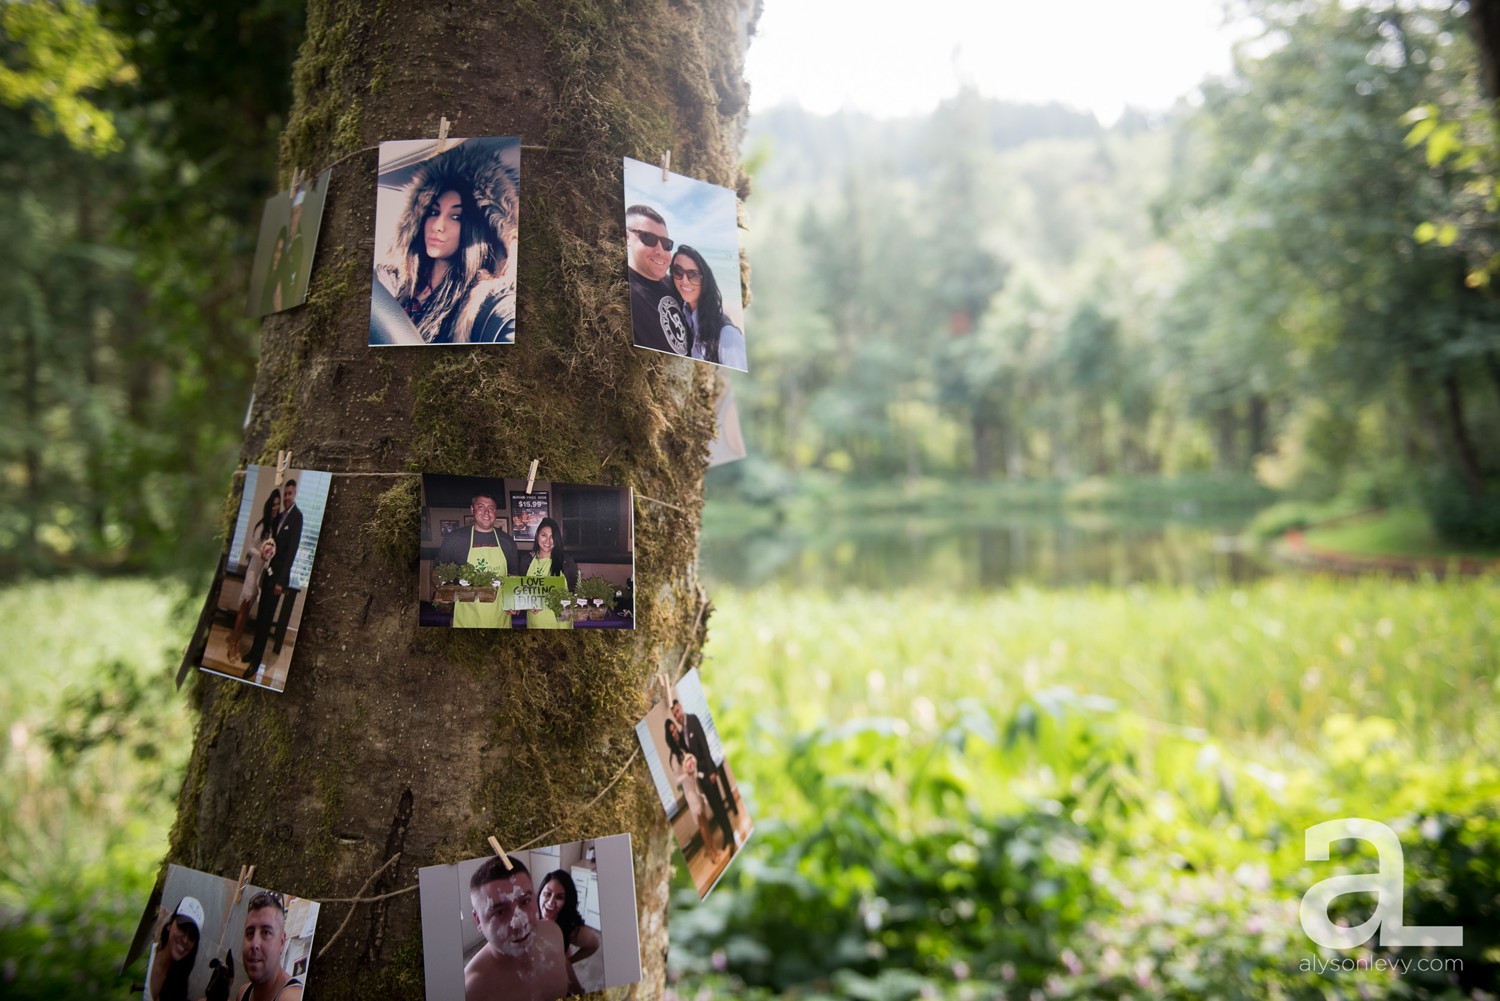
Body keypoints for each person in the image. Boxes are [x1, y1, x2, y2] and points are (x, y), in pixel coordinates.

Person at [374, 143, 517, 344]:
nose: (438, 225)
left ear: (476, 230)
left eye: (456, 217)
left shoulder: (489, 307)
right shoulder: (393, 282)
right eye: (434, 212)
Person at [466, 855, 580, 1001]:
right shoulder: (472, 990)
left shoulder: (553, 931)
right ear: (478, 921)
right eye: (500, 911)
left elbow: (564, 963)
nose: (520, 923)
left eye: (525, 901)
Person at [242, 478, 303, 679]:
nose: (286, 498)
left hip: (277, 580)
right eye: (285, 494)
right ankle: (252, 652)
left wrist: (280, 582)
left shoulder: (297, 518)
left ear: (295, 494)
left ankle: (256, 661)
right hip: (266, 576)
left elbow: (291, 552)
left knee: (267, 619)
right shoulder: (278, 517)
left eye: (289, 494)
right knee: (260, 617)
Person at [433, 493, 520, 629]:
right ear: (472, 510)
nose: (486, 512)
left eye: (491, 508)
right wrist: (440, 589)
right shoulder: (455, 539)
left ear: (495, 512)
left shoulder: (507, 541)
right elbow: (437, 571)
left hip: (499, 618)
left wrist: (514, 601)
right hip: (466, 618)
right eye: (481, 506)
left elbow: (513, 575)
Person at [626, 204, 692, 356]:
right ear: (627, 237)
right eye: (649, 238)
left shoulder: (675, 284)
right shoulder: (625, 293)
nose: (660, 251)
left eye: (666, 243)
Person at [672, 699, 737, 850]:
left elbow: (704, 745)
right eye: (674, 714)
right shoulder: (682, 733)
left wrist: (712, 771)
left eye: (677, 711)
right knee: (714, 807)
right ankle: (726, 836)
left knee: (720, 804)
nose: (677, 715)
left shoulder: (693, 719)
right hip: (700, 777)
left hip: (709, 772)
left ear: (681, 707)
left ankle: (730, 835)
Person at [672, 246, 747, 371]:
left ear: (705, 280)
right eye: (678, 271)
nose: (684, 281)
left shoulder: (728, 335)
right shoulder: (681, 312)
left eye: (693, 275)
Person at [228, 488, 281, 660]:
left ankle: (238, 640)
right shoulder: (262, 525)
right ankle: (232, 645)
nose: (275, 508)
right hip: (252, 572)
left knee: (247, 613)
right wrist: (262, 555)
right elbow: (250, 548)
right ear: (268, 506)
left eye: (278, 505)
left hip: (261, 574)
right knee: (242, 611)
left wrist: (269, 557)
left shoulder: (273, 529)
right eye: (273, 505)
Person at [665, 719, 724, 864]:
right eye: (671, 732)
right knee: (701, 823)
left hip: (697, 786)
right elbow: (677, 780)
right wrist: (687, 774)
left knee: (705, 819)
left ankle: (713, 847)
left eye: (674, 730)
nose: (674, 733)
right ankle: (711, 852)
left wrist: (694, 770)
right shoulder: (673, 758)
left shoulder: (684, 748)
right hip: (690, 793)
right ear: (669, 737)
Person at [536, 869, 601, 977]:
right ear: (540, 893)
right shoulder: (530, 912)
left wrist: (568, 962)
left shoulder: (569, 927)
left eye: (559, 897)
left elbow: (594, 945)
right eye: (547, 894)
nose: (551, 902)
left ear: (567, 902)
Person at [143, 896, 203, 1001]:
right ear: (170, 924)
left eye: (192, 936)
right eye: (182, 928)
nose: (185, 940)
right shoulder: (144, 957)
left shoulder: (179, 983)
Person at [523, 517, 578, 630]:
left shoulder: (567, 561)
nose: (548, 541)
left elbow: (574, 593)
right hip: (536, 621)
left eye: (552, 537)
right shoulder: (526, 560)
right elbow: (520, 591)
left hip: (560, 622)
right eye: (544, 535)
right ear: (537, 535)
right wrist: (526, 604)